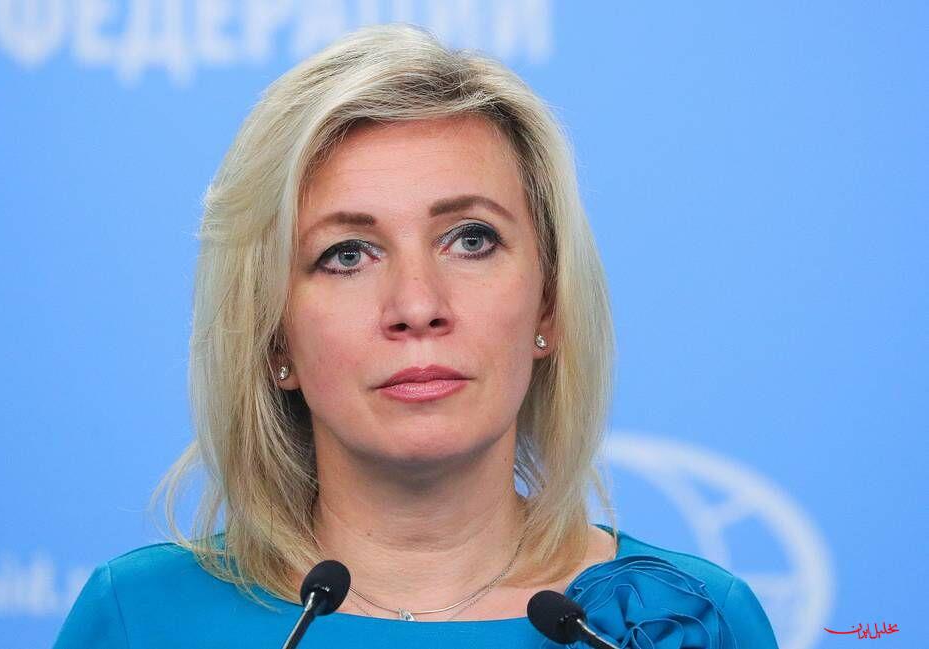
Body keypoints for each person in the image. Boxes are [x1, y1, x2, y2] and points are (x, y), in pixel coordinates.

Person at [54, 23, 778, 648]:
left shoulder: (694, 621)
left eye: (471, 239)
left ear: (549, 307)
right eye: (347, 254)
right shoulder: (140, 618)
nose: (417, 305)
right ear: (274, 338)